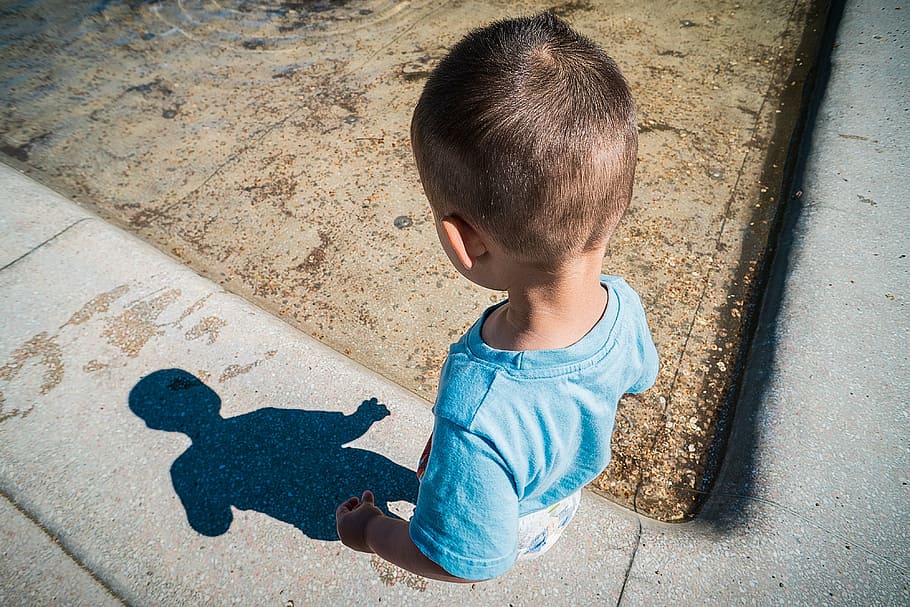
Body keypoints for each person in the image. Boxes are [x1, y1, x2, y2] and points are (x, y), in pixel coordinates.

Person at [335, 11, 659, 583]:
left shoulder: (478, 406)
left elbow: (463, 563)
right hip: (562, 494)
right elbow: (637, 378)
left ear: (463, 243)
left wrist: (372, 533)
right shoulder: (621, 305)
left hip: (519, 527)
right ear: (618, 203)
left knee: (465, 509)